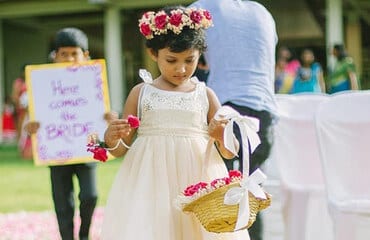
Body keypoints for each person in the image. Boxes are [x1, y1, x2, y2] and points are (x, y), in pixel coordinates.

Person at [100, 6, 250, 240]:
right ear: (153, 53)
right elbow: (121, 148)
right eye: (171, 60)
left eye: (189, 60)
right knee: (158, 229)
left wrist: (222, 136)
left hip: (197, 177)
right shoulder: (140, 94)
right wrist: (111, 139)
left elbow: (230, 153)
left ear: (200, 55)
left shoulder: (206, 94)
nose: (181, 69)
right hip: (151, 179)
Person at [189, 1, 278, 239]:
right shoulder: (263, 11)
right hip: (264, 113)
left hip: (225, 108)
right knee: (251, 195)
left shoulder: (204, 7)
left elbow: (187, 48)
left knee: (220, 193)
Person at [25, 27, 107, 240]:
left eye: (74, 53)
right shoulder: (43, 82)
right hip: (57, 149)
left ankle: (84, 235)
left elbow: (101, 110)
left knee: (90, 195)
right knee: (63, 202)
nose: (69, 58)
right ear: (55, 56)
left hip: (87, 148)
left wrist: (107, 117)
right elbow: (37, 116)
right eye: (64, 54)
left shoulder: (94, 80)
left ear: (85, 55)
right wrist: (31, 127)